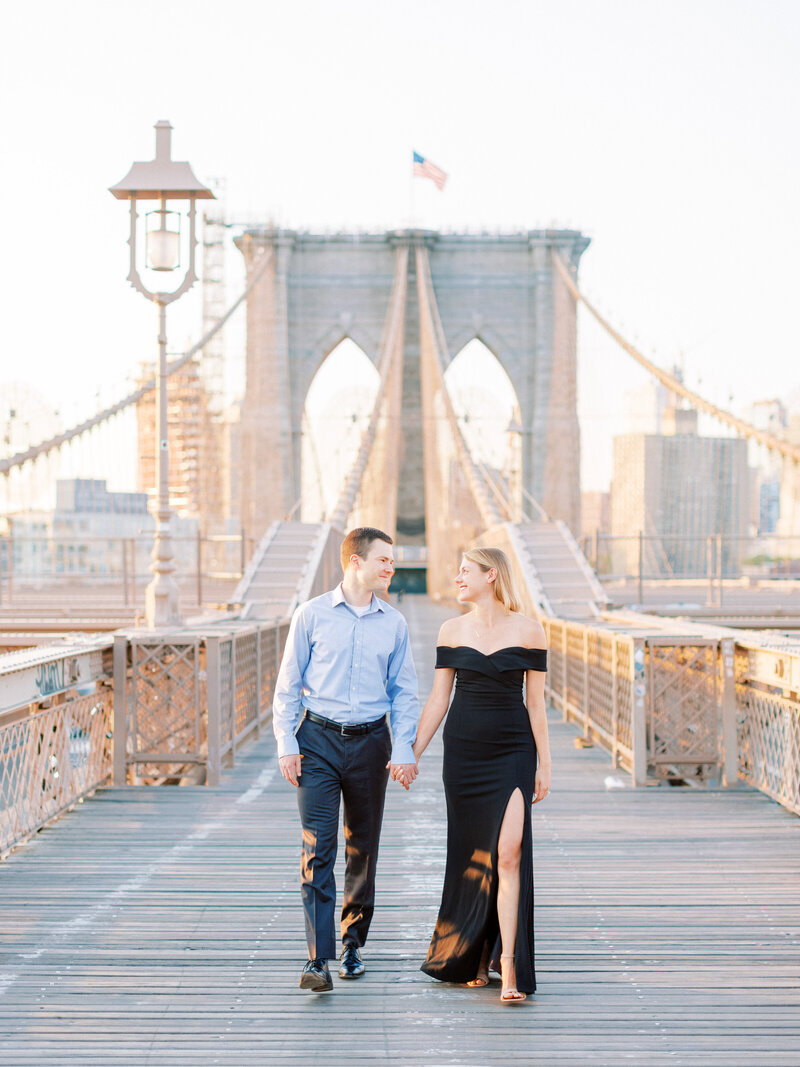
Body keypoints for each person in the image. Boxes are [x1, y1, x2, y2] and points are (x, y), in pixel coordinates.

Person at [273, 526, 420, 993]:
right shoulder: (311, 615)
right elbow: (288, 686)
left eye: (392, 560)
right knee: (318, 848)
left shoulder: (394, 623)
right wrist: (286, 744)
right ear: (355, 562)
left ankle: (352, 943)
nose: (391, 567)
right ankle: (317, 959)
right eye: (384, 560)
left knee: (363, 846)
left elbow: (405, 693)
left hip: (371, 743)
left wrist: (402, 748)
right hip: (316, 740)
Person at [410, 547, 550, 1004]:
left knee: (509, 853)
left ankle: (508, 967)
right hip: (464, 756)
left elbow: (536, 703)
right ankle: (473, 952)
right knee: (472, 855)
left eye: (464, 570)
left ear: (491, 575)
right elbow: (438, 700)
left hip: (513, 753)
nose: (457, 577)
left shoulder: (530, 631)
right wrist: (411, 753)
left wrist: (544, 764)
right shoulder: (451, 630)